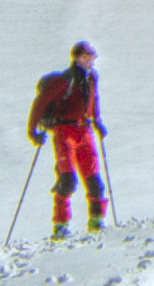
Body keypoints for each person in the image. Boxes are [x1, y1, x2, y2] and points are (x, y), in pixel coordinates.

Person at [28, 40, 109, 237]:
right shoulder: (64, 80)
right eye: (85, 57)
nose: (89, 61)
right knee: (67, 179)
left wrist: (96, 121)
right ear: (76, 58)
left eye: (91, 57)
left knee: (94, 178)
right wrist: (32, 130)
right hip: (65, 131)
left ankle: (96, 220)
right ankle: (61, 224)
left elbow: (93, 99)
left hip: (84, 130)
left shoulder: (92, 78)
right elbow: (41, 102)